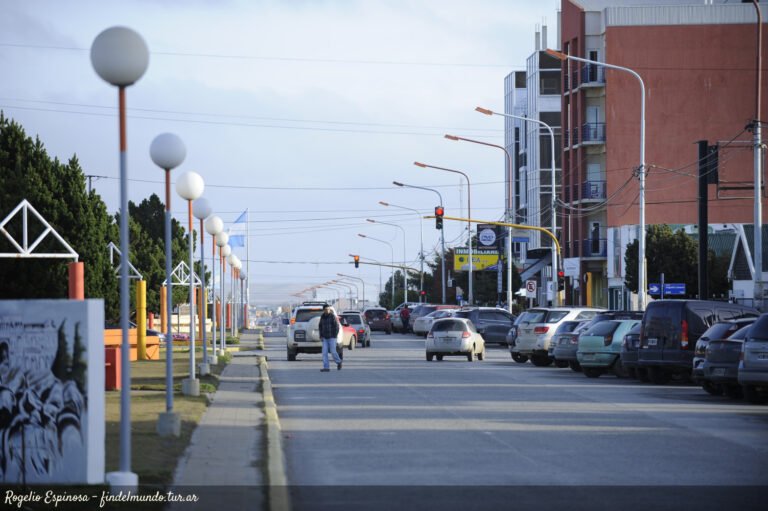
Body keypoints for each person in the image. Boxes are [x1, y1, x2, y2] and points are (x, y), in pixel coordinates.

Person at [318, 305, 342, 372]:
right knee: (324, 352)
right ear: (324, 310)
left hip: (332, 337)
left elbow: (337, 327)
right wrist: (321, 335)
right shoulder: (322, 317)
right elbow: (320, 326)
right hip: (324, 338)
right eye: (326, 309)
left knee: (333, 351)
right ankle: (326, 367)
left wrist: (335, 335)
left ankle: (339, 362)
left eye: (328, 309)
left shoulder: (332, 316)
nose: (327, 310)